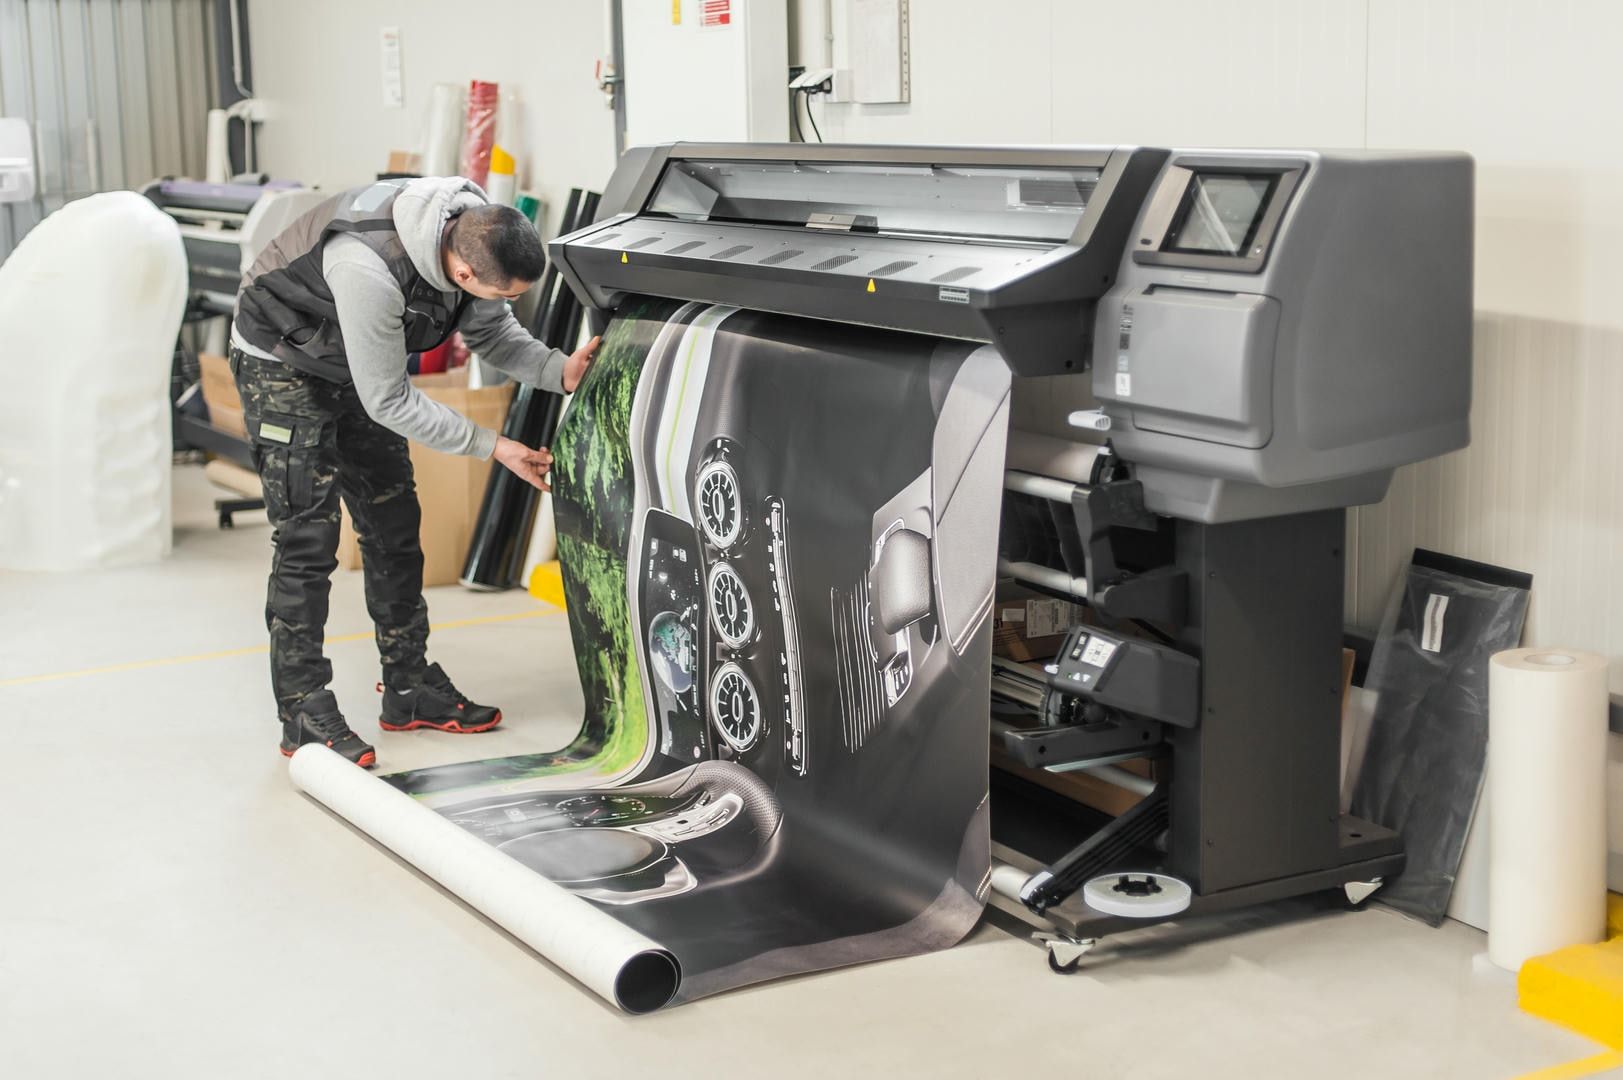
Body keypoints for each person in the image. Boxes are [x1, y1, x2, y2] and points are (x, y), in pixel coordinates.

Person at [229, 176, 598, 768]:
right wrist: (494, 445)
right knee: (307, 540)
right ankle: (302, 708)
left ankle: (409, 687)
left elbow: (492, 333)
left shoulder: (477, 232)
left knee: (394, 525)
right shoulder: (367, 270)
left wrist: (560, 371)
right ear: (465, 275)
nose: (502, 301)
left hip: (355, 367)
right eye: (501, 292)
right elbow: (390, 402)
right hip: (284, 363)